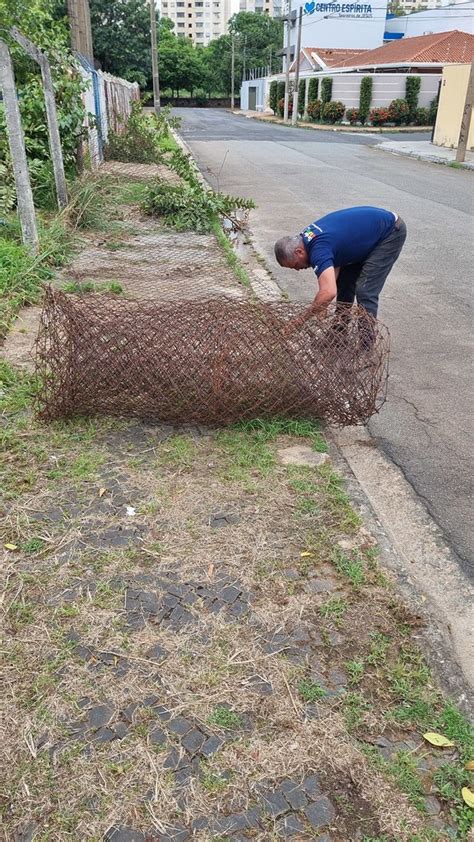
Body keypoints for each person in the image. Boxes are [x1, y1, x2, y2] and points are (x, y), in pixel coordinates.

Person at [274, 206, 407, 337]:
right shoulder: (307, 237)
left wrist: (298, 322)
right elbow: (334, 267)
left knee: (365, 290)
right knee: (344, 282)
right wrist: (322, 304)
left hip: (389, 233)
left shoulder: (317, 250)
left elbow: (328, 292)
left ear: (299, 252)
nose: (298, 269)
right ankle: (339, 333)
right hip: (366, 236)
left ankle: (366, 344)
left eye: (295, 265)